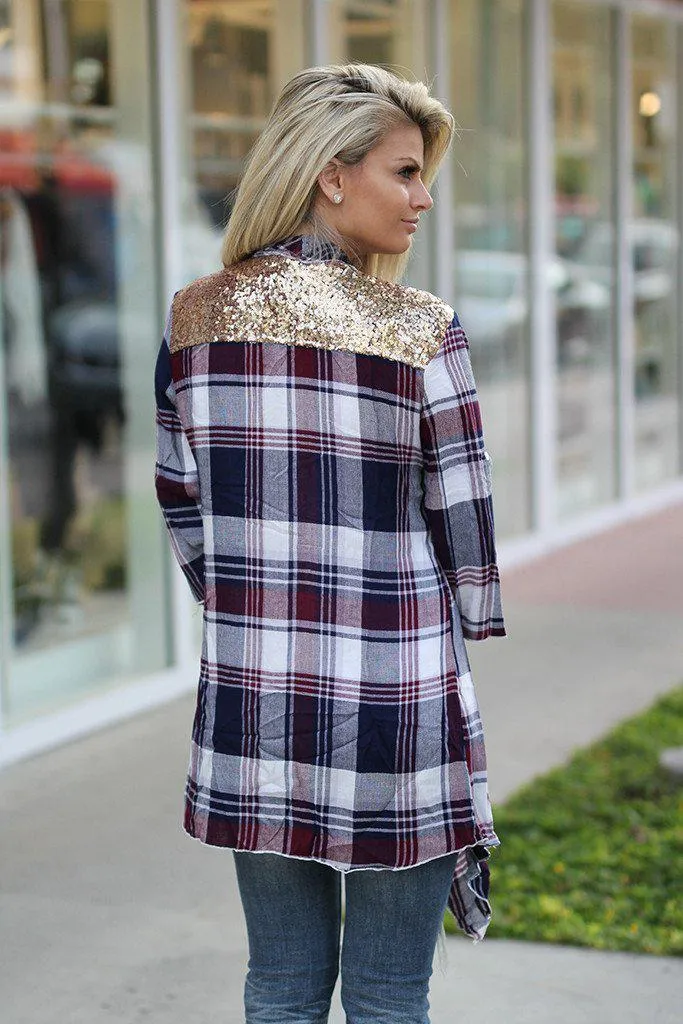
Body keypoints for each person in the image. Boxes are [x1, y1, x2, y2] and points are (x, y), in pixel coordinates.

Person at [154, 62, 506, 1024]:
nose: (422, 197)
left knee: (278, 987)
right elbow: (465, 528)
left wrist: (251, 607)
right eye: (404, 171)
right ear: (330, 174)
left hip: (253, 702)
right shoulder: (421, 331)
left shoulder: (193, 317)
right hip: (395, 704)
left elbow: (180, 500)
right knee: (390, 996)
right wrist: (470, 613)